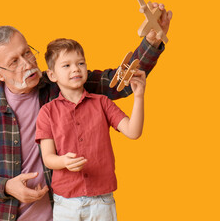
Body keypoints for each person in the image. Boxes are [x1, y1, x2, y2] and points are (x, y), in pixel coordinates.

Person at [0, 2, 171, 221]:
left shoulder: (62, 83)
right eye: (14, 61)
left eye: (27, 53)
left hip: (64, 211)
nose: (27, 63)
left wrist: (151, 42)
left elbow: (118, 82)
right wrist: (6, 187)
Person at [36, 38, 146, 220]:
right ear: (52, 75)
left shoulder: (102, 102)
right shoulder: (47, 112)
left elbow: (133, 132)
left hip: (102, 201)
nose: (75, 69)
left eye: (80, 63)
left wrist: (139, 97)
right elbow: (48, 158)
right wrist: (63, 161)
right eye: (66, 65)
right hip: (66, 202)